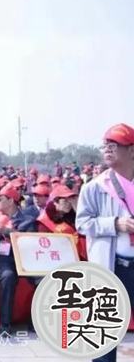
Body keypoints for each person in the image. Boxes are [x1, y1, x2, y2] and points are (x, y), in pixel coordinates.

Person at [76, 123, 134, 362]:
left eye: (115, 145)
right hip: (112, 266)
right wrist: (115, 224)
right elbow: (82, 223)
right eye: (105, 146)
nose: (108, 150)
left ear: (132, 150)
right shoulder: (95, 187)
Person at [0, 185, 36, 335]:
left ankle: (36, 321)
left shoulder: (28, 221)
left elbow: (29, 242)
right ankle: (5, 324)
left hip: (23, 260)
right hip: (1, 260)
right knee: (8, 276)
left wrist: (8, 232)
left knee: (45, 279)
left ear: (11, 201)